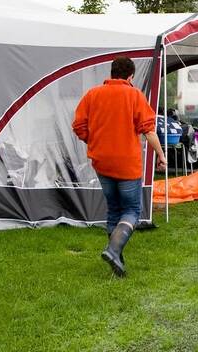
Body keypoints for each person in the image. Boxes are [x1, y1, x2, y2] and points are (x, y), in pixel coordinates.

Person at [72, 56, 164, 277]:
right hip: (127, 164)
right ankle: (113, 249)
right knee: (132, 210)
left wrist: (94, 141)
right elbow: (148, 130)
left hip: (102, 162)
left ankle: (117, 262)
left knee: (113, 209)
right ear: (130, 76)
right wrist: (161, 155)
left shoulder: (92, 95)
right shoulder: (134, 95)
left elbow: (79, 126)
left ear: (112, 73)